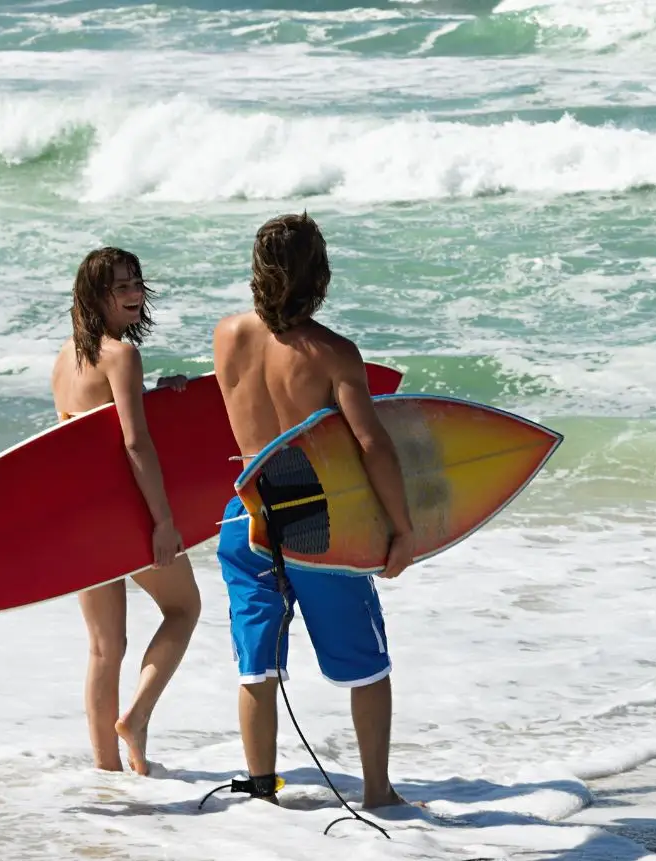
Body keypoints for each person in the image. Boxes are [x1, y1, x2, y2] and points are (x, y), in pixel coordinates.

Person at [210, 212, 416, 808]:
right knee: (365, 666)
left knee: (257, 665)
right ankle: (377, 792)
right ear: (318, 274)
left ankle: (261, 792)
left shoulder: (227, 335)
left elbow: (219, 396)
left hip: (245, 516)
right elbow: (372, 444)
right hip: (318, 523)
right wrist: (401, 529)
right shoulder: (333, 354)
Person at [50, 246, 202, 776]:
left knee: (102, 648)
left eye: (138, 283)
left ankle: (108, 774)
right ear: (97, 297)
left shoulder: (65, 358)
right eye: (122, 287)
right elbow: (134, 446)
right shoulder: (121, 356)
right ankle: (135, 718)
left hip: (79, 518)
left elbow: (85, 436)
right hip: (123, 515)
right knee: (185, 610)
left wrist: (158, 397)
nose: (136, 294)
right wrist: (163, 522)